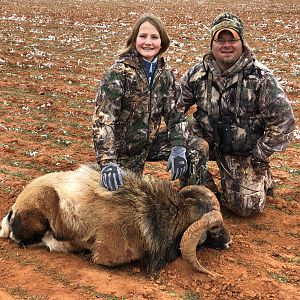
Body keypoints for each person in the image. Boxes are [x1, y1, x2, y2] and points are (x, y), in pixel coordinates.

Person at [180, 12, 295, 217]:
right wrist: (177, 138)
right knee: (187, 144)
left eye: (232, 39)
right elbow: (175, 107)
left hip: (242, 151)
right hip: (208, 141)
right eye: (220, 40)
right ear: (212, 43)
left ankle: (261, 177)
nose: (226, 45)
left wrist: (261, 154)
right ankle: (204, 189)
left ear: (242, 42)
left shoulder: (260, 76)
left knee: (246, 208)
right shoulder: (197, 74)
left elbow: (284, 120)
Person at [92, 14, 189, 191]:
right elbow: (103, 120)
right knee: (120, 201)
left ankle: (190, 203)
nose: (148, 42)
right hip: (122, 153)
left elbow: (177, 116)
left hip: (149, 146)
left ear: (162, 42)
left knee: (194, 148)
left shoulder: (165, 75)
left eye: (154, 37)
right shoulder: (118, 73)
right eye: (143, 36)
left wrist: (178, 149)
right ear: (134, 39)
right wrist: (108, 162)